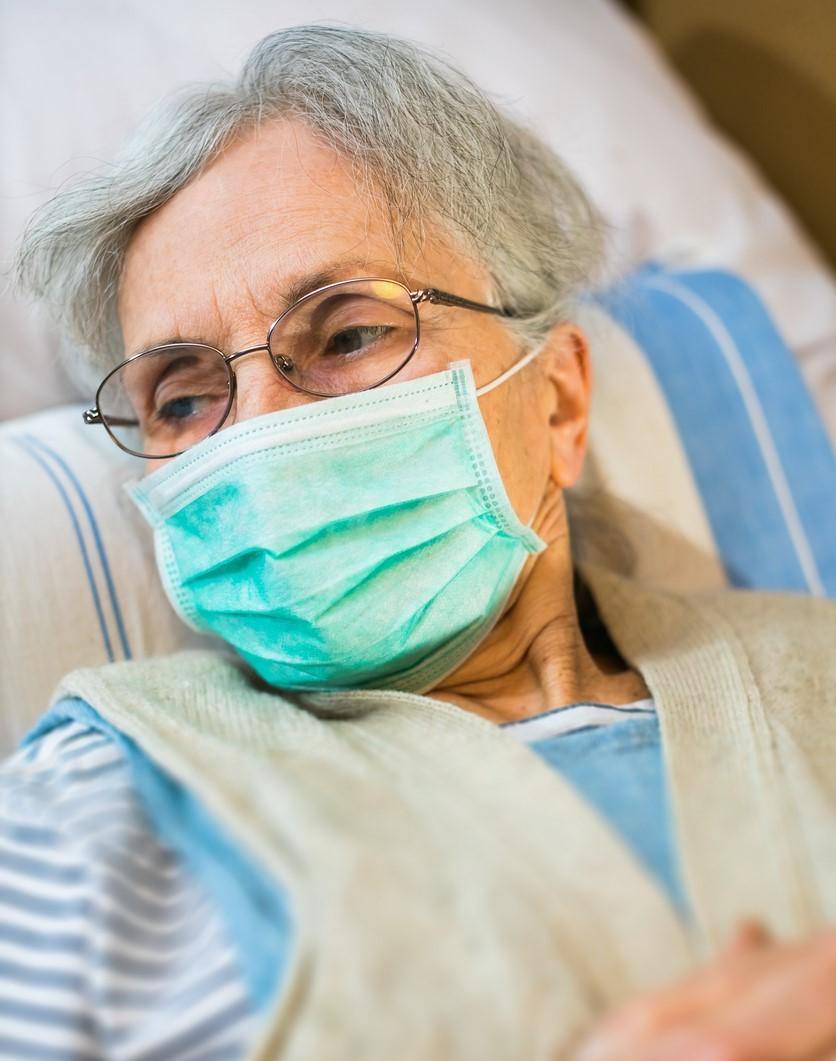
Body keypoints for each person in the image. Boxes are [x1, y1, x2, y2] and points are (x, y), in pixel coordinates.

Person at [5, 24, 836, 1061]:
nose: (257, 429)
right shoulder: (92, 819)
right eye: (182, 397)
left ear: (559, 403)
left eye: (347, 333)